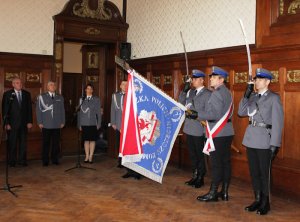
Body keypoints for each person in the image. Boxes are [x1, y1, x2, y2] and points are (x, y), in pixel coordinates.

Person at [238, 68, 284, 215]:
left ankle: (266, 202)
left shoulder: (273, 98)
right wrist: (245, 95)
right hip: (251, 139)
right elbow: (241, 112)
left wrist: (275, 144)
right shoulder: (252, 96)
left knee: (265, 174)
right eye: (256, 79)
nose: (256, 82)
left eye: (259, 79)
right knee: (254, 172)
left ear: (267, 81)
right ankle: (257, 199)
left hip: (265, 140)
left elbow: (278, 122)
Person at [187, 66, 234, 202]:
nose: (211, 79)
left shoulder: (217, 93)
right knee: (225, 163)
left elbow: (214, 115)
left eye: (213, 77)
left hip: (218, 132)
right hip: (227, 131)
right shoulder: (227, 92)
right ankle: (224, 192)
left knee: (216, 164)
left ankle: (213, 192)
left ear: (221, 79)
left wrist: (197, 115)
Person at [178, 70, 211, 188]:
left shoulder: (208, 94)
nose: (193, 81)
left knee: (199, 155)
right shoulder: (190, 92)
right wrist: (184, 91)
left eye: (195, 79)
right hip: (189, 128)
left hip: (199, 128)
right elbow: (180, 104)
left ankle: (201, 177)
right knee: (192, 154)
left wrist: (205, 131)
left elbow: (208, 112)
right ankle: (195, 174)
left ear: (202, 80)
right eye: (192, 79)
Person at [110, 80, 141, 179]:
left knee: (131, 148)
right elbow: (113, 109)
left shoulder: (132, 95)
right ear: (120, 85)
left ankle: (135, 170)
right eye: (123, 84)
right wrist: (113, 122)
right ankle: (127, 169)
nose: (125, 86)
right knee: (122, 148)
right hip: (119, 126)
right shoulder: (115, 96)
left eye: (127, 84)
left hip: (131, 127)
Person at [2, 77, 33, 167]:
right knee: (12, 143)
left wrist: (30, 121)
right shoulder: (8, 94)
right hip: (12, 124)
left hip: (24, 124)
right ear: (13, 84)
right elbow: (4, 110)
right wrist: (6, 123)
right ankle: (12, 161)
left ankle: (22, 160)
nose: (20, 84)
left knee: (23, 143)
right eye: (17, 83)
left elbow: (29, 109)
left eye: (20, 82)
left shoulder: (27, 94)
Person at [36, 81, 65, 166]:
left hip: (57, 124)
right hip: (46, 123)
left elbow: (62, 110)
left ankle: (55, 159)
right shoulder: (42, 97)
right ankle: (45, 160)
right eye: (51, 85)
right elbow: (38, 110)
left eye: (54, 85)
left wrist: (63, 121)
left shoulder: (60, 97)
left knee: (56, 143)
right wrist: (40, 122)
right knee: (46, 143)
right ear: (47, 87)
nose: (53, 86)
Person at [78, 84, 101, 164]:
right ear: (85, 90)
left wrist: (99, 123)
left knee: (92, 140)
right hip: (84, 123)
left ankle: (91, 156)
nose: (89, 90)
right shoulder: (81, 99)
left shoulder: (96, 99)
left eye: (91, 89)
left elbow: (98, 112)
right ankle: (86, 156)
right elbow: (79, 113)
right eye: (87, 89)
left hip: (93, 122)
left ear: (92, 90)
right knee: (86, 140)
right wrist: (79, 124)